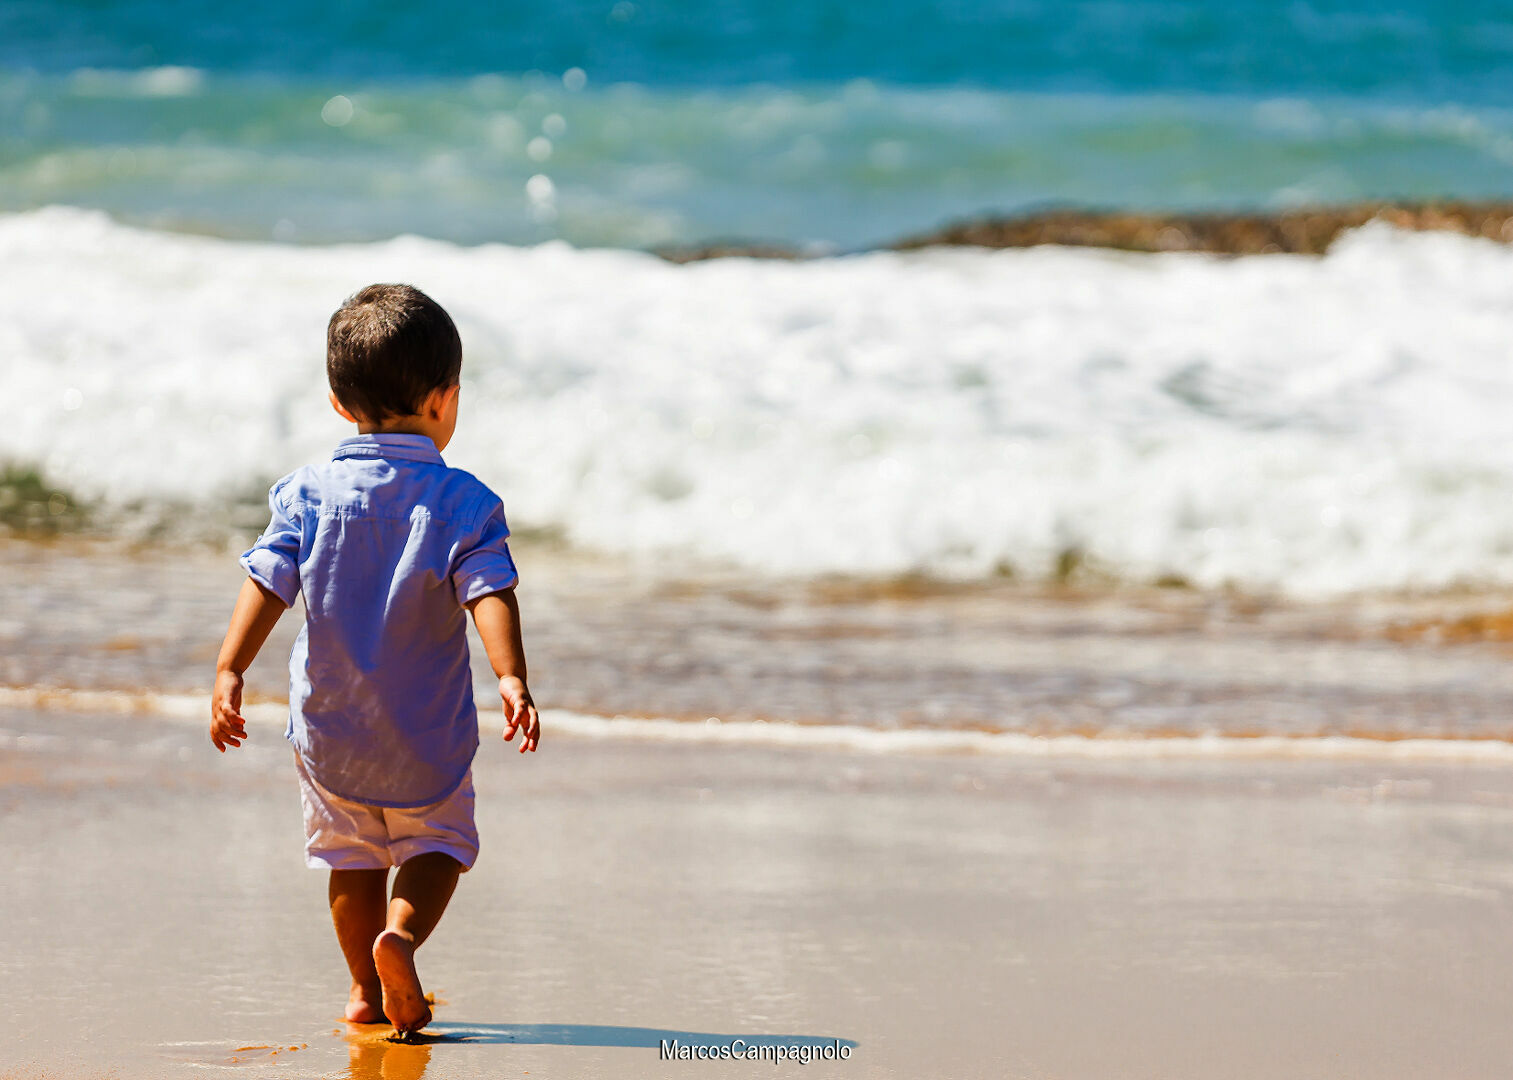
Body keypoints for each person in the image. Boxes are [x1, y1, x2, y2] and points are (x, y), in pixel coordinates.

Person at [209, 283, 539, 1034]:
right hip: (424, 734)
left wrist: (230, 669)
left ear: (337, 402)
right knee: (438, 843)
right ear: (444, 400)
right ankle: (403, 939)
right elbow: (490, 592)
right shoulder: (463, 502)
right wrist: (511, 677)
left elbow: (266, 582)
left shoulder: (307, 494)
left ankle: (363, 988)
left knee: (349, 859)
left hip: (331, 732)